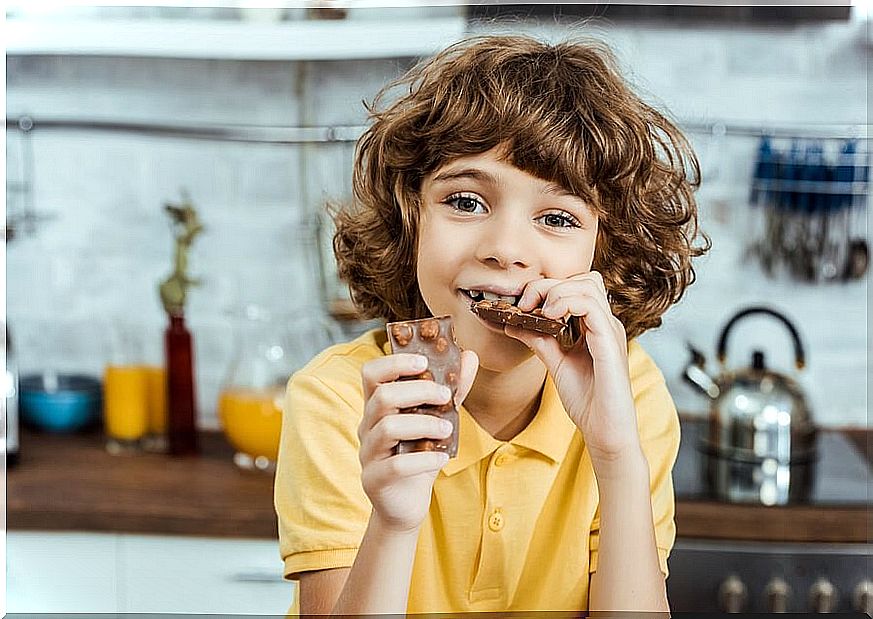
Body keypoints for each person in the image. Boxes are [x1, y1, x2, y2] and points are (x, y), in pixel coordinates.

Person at [274, 33, 709, 615]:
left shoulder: (628, 392)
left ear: (603, 258)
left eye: (556, 217)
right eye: (466, 202)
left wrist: (616, 458)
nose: (506, 250)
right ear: (411, 223)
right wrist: (394, 523)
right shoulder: (340, 400)